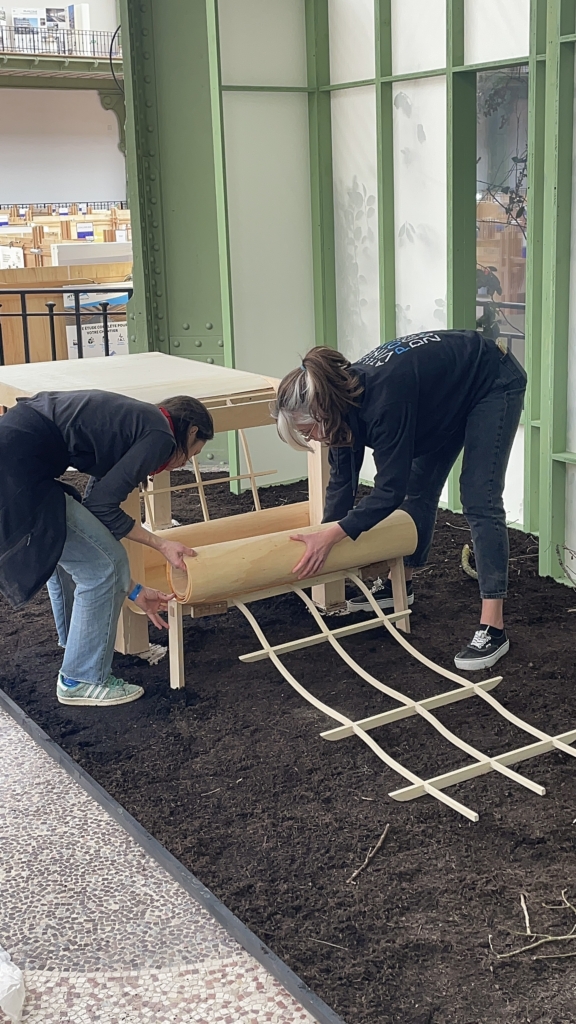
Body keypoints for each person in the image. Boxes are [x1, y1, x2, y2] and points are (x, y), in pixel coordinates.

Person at [272, 330, 527, 671]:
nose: (312, 439)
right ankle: (399, 587)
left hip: (490, 379)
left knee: (479, 496)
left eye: (307, 431)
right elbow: (341, 486)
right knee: (418, 490)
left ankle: (493, 628)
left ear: (321, 412)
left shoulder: (384, 401)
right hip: (443, 395)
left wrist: (334, 535)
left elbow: (389, 491)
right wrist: (323, 539)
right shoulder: (340, 406)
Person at [0, 390, 214, 706]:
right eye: (194, 452)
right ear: (192, 431)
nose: (186, 462)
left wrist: (134, 590)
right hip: (16, 469)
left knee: (75, 546)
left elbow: (95, 510)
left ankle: (76, 646)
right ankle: (81, 678)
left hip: (15, 455)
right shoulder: (160, 437)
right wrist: (160, 543)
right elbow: (103, 508)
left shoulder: (136, 423)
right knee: (106, 564)